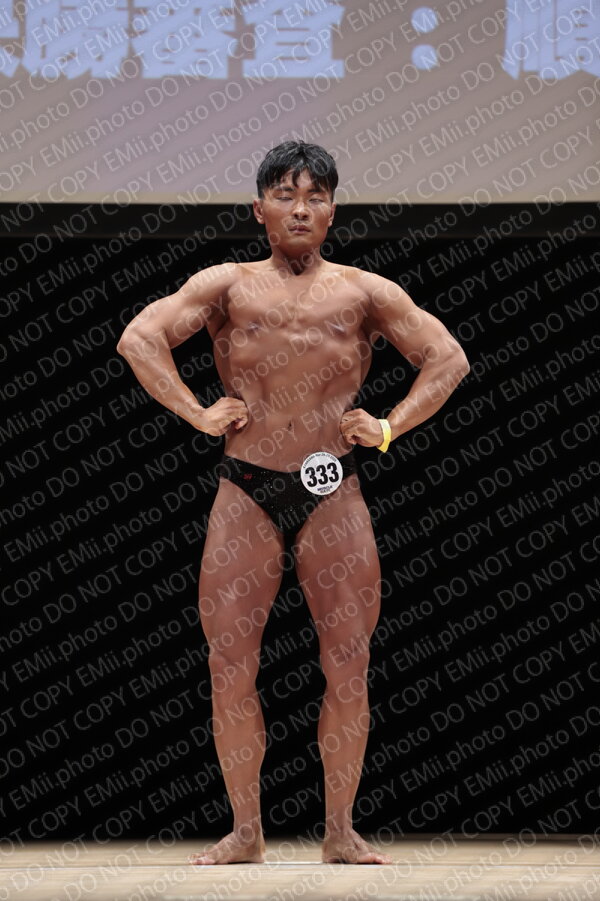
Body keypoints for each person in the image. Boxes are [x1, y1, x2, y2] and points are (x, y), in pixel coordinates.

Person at [117, 141, 470, 865]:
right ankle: (246, 831)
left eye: (315, 197)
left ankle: (339, 830)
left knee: (348, 662)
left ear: (333, 210)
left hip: (330, 485)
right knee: (229, 663)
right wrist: (195, 412)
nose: (300, 209)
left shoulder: (363, 291)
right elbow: (140, 338)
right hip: (245, 486)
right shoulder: (227, 284)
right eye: (285, 195)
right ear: (259, 210)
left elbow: (448, 357)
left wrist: (389, 426)